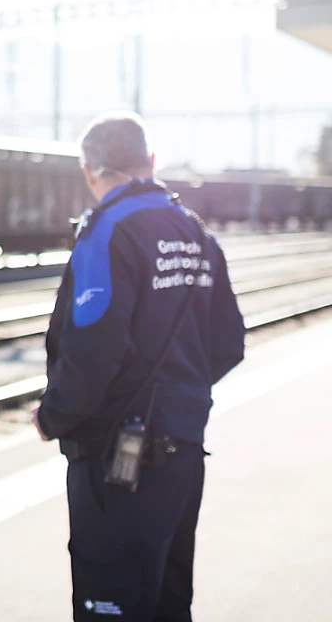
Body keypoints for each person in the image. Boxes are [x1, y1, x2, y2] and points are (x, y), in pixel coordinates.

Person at [31, 114, 245, 622]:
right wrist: (176, 394)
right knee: (169, 603)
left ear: (90, 172)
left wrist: (52, 416)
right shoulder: (196, 233)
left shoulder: (106, 233)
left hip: (117, 462)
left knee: (112, 605)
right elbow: (229, 343)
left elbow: (93, 349)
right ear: (150, 163)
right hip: (185, 454)